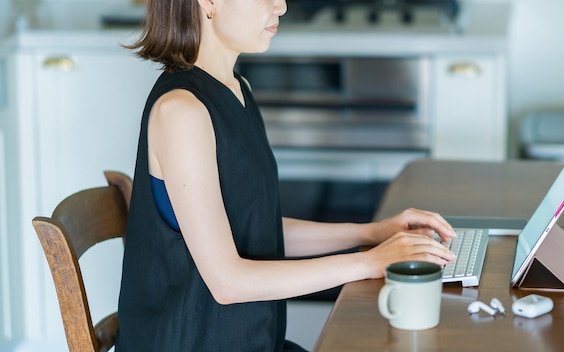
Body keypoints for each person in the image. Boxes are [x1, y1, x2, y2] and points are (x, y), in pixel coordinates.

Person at [115, 0, 457, 351]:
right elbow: (228, 282)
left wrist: (372, 232)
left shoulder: (236, 88)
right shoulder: (181, 112)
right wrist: (369, 261)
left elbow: (256, 229)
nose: (281, 5)